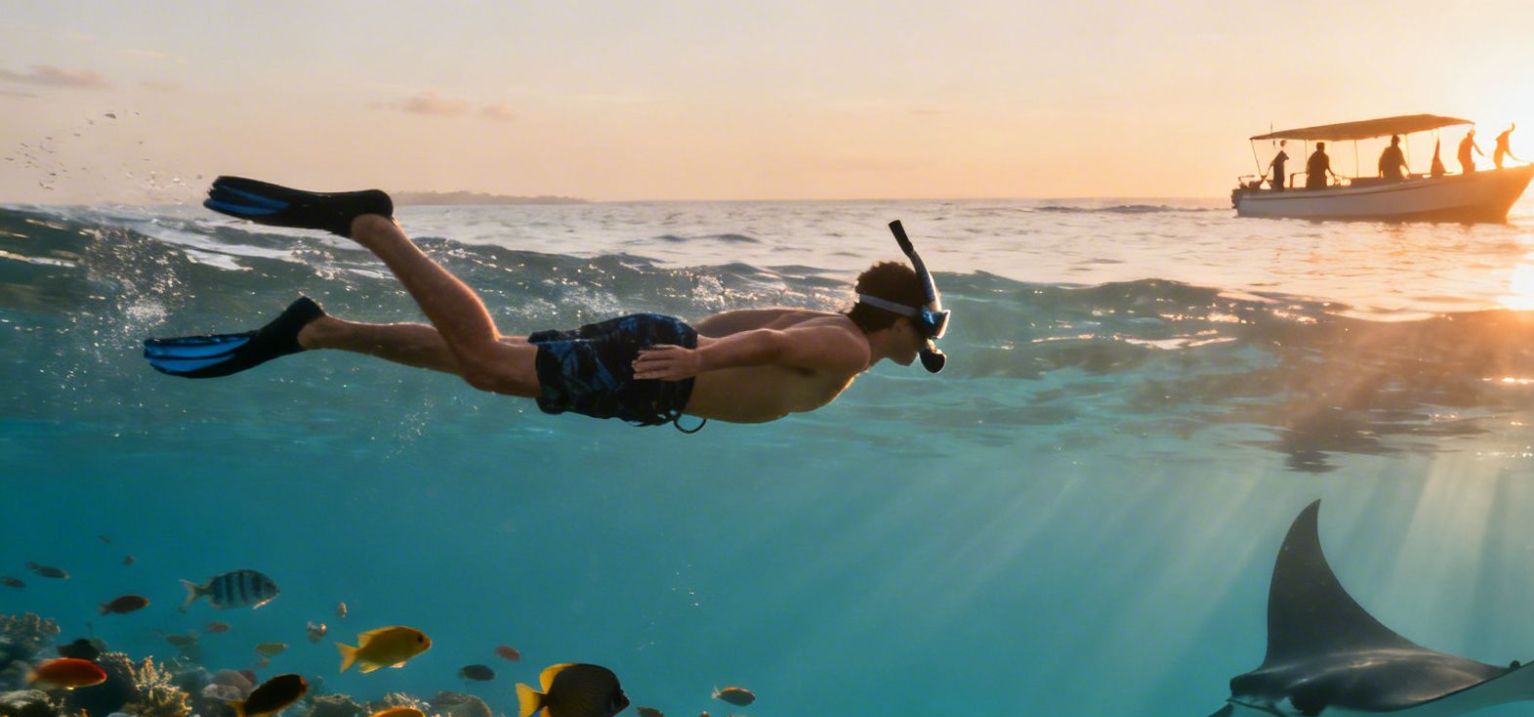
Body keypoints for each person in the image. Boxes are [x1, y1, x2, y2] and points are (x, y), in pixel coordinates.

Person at [143, 178, 950, 431]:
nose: (928, 340)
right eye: (930, 324)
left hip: (655, 366)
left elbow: (753, 328)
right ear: (904, 319)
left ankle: (319, 329)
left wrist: (683, 346)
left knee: (479, 365)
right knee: (490, 361)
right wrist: (697, 362)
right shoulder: (850, 348)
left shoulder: (828, 322)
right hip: (663, 374)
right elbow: (764, 345)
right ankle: (371, 226)